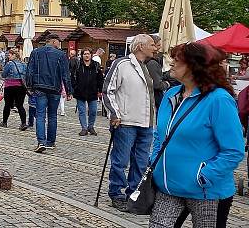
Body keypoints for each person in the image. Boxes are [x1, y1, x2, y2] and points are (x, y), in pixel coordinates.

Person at [149, 42, 245, 228]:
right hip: (168, 187)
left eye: (177, 60)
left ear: (194, 66)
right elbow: (160, 136)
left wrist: (204, 175)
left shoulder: (218, 99)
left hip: (206, 191)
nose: (172, 64)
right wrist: (155, 163)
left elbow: (233, 150)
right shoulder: (171, 95)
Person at [102, 34, 157, 211]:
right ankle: (116, 193)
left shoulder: (147, 66)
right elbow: (108, 91)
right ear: (140, 46)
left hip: (145, 122)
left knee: (141, 162)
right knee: (121, 160)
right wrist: (115, 114)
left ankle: (134, 193)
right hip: (125, 121)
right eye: (151, 44)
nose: (155, 47)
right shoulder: (122, 64)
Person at [24, 33, 72, 153]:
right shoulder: (61, 55)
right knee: (52, 116)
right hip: (55, 89)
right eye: (58, 42)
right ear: (53, 41)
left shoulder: (36, 52)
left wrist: (29, 86)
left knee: (40, 116)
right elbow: (66, 74)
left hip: (40, 88)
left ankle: (41, 142)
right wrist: (69, 90)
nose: (59, 44)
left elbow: (29, 70)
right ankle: (51, 142)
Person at [70, 48, 103, 136]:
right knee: (82, 111)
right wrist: (74, 88)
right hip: (80, 91)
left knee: (93, 111)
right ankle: (84, 128)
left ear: (91, 55)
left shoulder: (96, 65)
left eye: (88, 54)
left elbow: (100, 78)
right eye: (85, 54)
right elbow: (73, 77)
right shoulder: (78, 65)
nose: (87, 55)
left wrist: (100, 90)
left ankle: (91, 127)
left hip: (93, 91)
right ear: (82, 55)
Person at [1, 49, 28, 130]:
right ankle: (23, 123)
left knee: (7, 105)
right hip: (21, 87)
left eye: (9, 55)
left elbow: (3, 74)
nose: (8, 56)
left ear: (14, 55)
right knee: (20, 105)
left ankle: (4, 122)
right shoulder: (23, 64)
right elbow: (26, 75)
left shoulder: (9, 64)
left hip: (9, 86)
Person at [146, 35, 170, 113]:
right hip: (155, 99)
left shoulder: (152, 61)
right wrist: (167, 84)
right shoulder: (152, 63)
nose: (160, 47)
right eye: (158, 45)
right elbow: (157, 85)